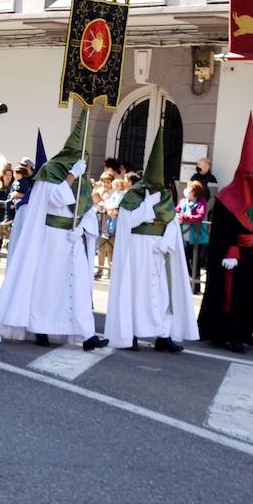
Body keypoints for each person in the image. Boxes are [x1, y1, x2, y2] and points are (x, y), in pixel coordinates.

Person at [0, 110, 108, 351]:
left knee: (78, 285)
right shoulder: (51, 171)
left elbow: (87, 207)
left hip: (72, 237)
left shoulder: (81, 176)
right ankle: (41, 328)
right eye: (82, 155)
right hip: (51, 238)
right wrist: (71, 175)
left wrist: (82, 229)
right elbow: (57, 198)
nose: (85, 160)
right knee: (48, 285)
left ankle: (87, 334)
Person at [106, 126, 198, 353]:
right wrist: (148, 204)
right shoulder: (134, 196)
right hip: (138, 251)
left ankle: (162, 335)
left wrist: (165, 243)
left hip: (160, 251)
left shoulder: (166, 197)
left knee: (164, 294)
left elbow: (173, 223)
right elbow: (129, 222)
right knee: (138, 293)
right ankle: (133, 334)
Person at [199, 116, 253, 353]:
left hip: (249, 258)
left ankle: (242, 332)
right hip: (230, 258)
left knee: (246, 296)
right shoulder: (226, 198)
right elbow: (220, 230)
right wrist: (230, 251)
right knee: (228, 297)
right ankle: (226, 334)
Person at [177, 179, 209, 294]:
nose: (186, 191)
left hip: (196, 238)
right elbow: (177, 211)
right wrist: (178, 216)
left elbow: (200, 216)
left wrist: (185, 218)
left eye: (189, 189)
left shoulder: (202, 202)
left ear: (195, 192)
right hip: (184, 236)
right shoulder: (183, 201)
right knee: (184, 261)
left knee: (194, 262)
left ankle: (195, 287)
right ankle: (186, 285)